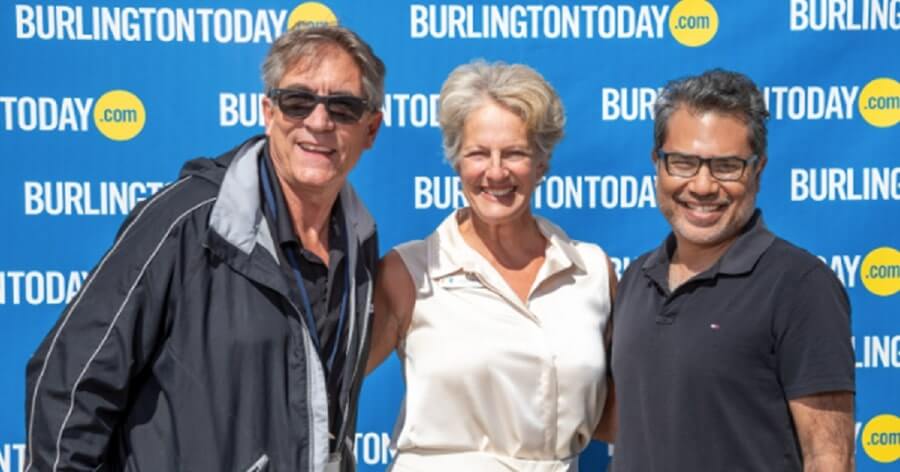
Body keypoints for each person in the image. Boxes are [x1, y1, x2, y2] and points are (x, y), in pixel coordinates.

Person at [25, 25, 383, 472]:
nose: (318, 122)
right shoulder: (187, 221)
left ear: (371, 128)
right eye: (298, 101)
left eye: (343, 107)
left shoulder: (360, 240)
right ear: (269, 113)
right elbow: (71, 383)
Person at [366, 60, 616, 471]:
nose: (495, 172)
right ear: (457, 162)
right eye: (478, 153)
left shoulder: (591, 272)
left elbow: (619, 415)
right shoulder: (409, 271)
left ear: (541, 163)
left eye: (515, 153)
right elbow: (327, 396)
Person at [610, 69, 855, 471]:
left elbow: (829, 458)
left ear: (757, 170)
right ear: (658, 164)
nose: (703, 186)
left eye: (726, 166)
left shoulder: (800, 285)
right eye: (684, 162)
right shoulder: (637, 277)